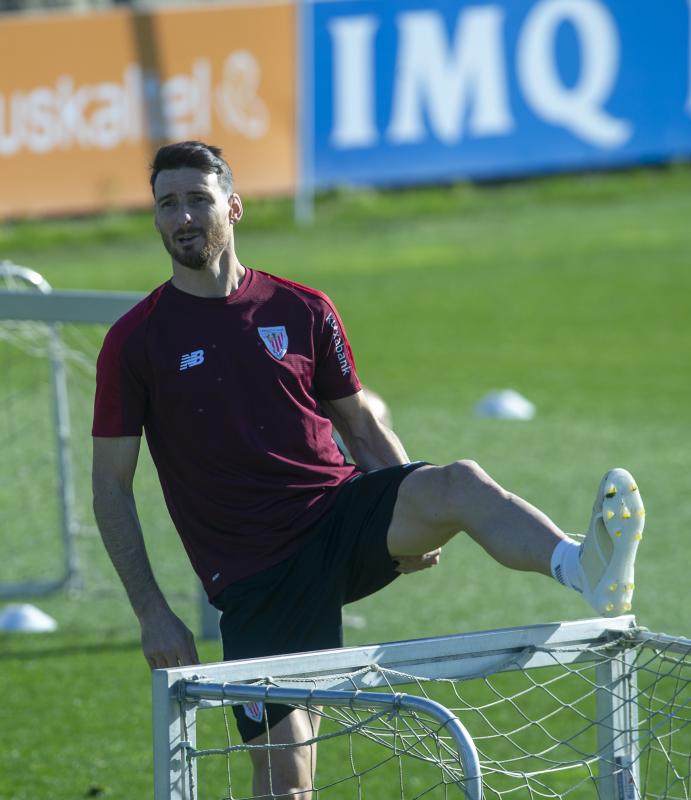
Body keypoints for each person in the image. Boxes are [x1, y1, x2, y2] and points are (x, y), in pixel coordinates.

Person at [92, 141, 646, 799]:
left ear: (233, 207)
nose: (183, 217)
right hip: (254, 576)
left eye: (197, 200)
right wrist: (152, 612)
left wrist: (406, 497)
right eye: (168, 204)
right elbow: (110, 488)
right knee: (287, 778)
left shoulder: (302, 309)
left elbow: (359, 427)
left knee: (457, 483)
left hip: (339, 520)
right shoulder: (135, 340)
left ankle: (581, 566)